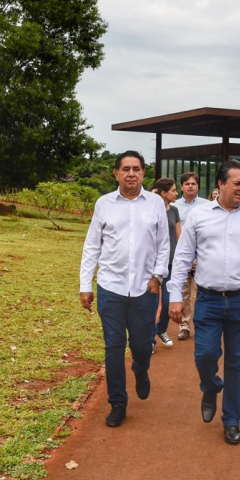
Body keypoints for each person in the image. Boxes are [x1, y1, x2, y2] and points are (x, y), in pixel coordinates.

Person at [168, 160, 240, 445]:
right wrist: (174, 297)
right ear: (220, 184)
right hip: (208, 299)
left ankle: (232, 419)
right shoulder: (199, 215)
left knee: (237, 362)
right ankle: (210, 386)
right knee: (204, 356)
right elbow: (182, 257)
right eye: (238, 184)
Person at [79, 151, 169, 428]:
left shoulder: (155, 203)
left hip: (145, 289)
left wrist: (158, 276)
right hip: (111, 287)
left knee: (142, 346)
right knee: (114, 346)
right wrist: (86, 285)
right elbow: (92, 245)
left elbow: (164, 245)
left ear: (143, 174)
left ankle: (141, 370)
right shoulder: (104, 204)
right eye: (126, 169)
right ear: (116, 173)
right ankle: (118, 402)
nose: (131, 173)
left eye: (137, 169)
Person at [171, 172, 209, 341]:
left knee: (203, 291)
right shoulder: (174, 206)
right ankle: (184, 326)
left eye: (194, 183)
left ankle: (203, 324)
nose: (191, 186)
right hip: (182, 254)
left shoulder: (207, 205)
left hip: (202, 255)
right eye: (187, 183)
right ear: (181, 187)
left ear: (198, 186)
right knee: (184, 291)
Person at [152, 178, 182, 348]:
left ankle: (161, 329)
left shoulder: (174, 210)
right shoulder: (151, 210)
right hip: (151, 265)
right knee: (152, 302)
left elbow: (180, 236)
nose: (176, 193)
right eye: (173, 190)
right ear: (163, 193)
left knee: (168, 300)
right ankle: (149, 339)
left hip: (169, 264)